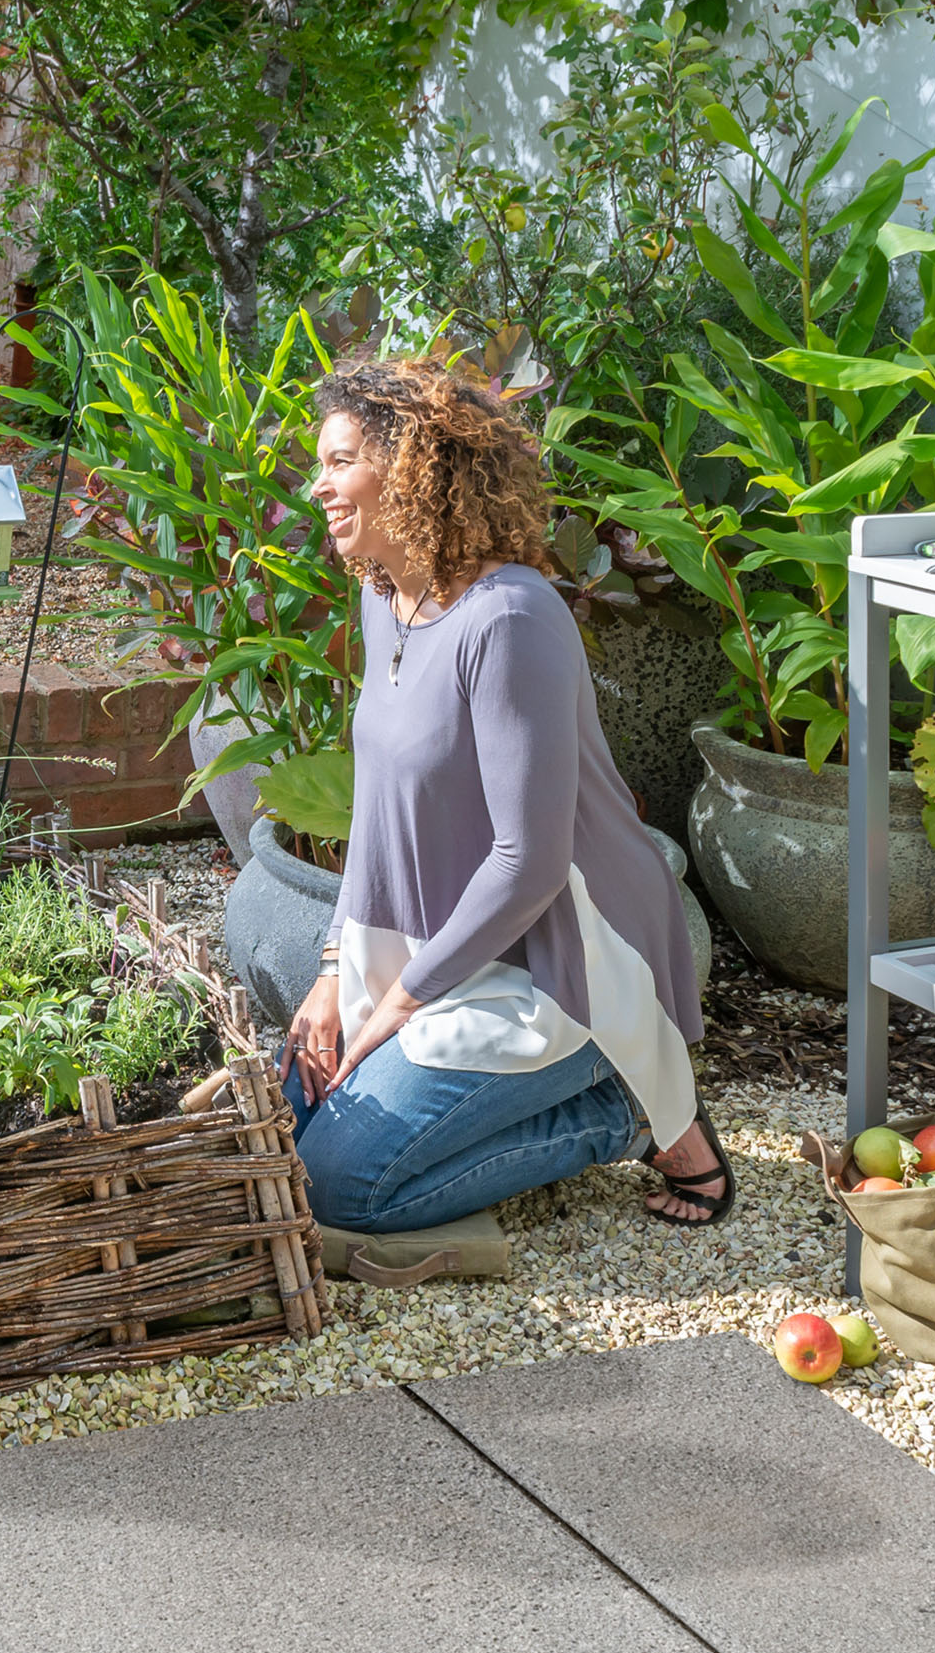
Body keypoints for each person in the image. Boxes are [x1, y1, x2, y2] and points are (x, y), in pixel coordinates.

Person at [284, 358, 729, 1233]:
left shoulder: (511, 618)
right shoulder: (388, 598)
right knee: (287, 1121)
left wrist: (404, 999)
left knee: (342, 1187)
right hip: (435, 942)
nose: (316, 487)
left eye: (338, 462)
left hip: (560, 961)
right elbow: (375, 805)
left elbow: (530, 862)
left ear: (409, 466)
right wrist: (336, 972)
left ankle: (623, 1110)